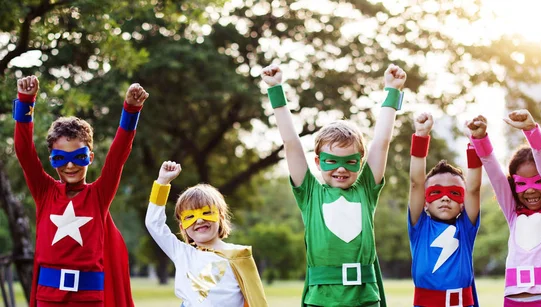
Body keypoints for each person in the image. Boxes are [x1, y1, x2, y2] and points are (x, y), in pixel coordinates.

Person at [260, 63, 406, 307]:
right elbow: (291, 143)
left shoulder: (365, 190)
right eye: (332, 162)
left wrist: (392, 90)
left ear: (360, 163)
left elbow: (381, 142)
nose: (341, 169)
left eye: (350, 161)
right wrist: (276, 89)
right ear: (318, 162)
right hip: (322, 299)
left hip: (364, 297)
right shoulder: (310, 194)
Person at [13, 75, 147, 306]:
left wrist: (131, 110)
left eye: (79, 156)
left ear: (90, 158)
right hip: (49, 296)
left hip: (89, 297)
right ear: (51, 159)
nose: (70, 165)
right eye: (61, 158)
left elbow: (117, 158)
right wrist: (26, 101)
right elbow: (24, 152)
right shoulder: (45, 192)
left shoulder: (99, 195)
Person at [468, 110, 541, 307]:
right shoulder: (513, 213)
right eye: (522, 184)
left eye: (538, 182)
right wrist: (480, 139)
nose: (530, 190)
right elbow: (496, 176)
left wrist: (532, 132)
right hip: (512, 299)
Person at [145, 161, 268, 307]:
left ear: (221, 217)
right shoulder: (182, 253)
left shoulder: (239, 256)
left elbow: (256, 301)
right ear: (182, 226)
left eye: (207, 212)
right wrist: (162, 182)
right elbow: (154, 223)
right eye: (190, 216)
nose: (199, 220)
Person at [408, 112, 482, 307]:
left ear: (463, 202)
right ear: (425, 201)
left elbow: (474, 189)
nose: (445, 198)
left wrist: (475, 142)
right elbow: (416, 183)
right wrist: (421, 136)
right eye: (436, 192)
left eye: (454, 193)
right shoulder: (419, 227)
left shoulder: (466, 229)